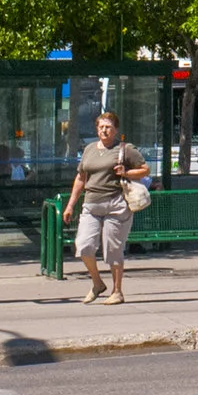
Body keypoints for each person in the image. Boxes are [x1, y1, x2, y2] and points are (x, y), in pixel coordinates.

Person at [62, 111, 149, 304]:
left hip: (115, 204)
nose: (104, 130)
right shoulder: (90, 149)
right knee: (84, 246)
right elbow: (81, 178)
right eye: (101, 126)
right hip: (91, 204)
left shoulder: (125, 149)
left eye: (108, 127)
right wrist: (70, 205)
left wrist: (126, 171)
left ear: (116, 130)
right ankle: (97, 283)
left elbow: (145, 169)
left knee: (113, 249)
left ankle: (117, 291)